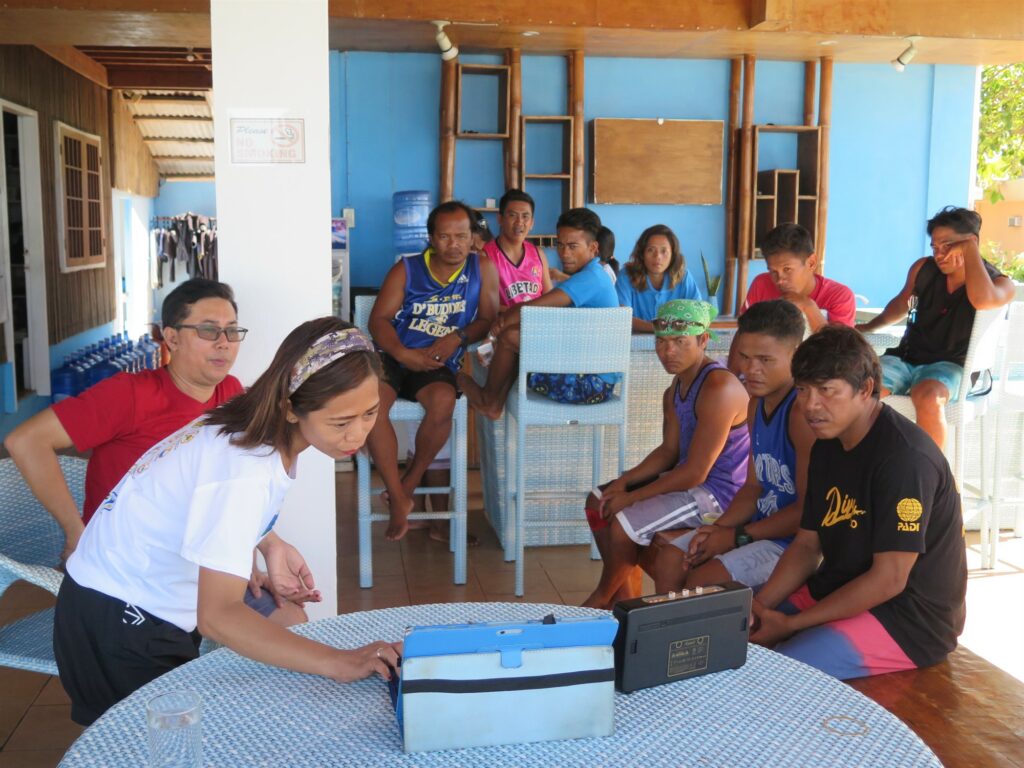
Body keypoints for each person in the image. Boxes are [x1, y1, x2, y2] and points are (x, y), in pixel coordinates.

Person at [53, 318, 403, 725]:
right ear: (290, 409)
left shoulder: (247, 424)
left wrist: (260, 545)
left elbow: (200, 502)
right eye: (340, 422)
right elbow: (218, 615)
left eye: (370, 412)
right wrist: (341, 663)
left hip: (133, 607)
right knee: (157, 750)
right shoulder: (246, 468)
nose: (357, 434)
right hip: (117, 623)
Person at [749, 325, 967, 680]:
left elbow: (889, 580)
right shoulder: (827, 443)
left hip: (907, 619)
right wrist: (761, 606)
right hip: (840, 585)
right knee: (741, 637)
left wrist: (790, 623)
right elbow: (806, 545)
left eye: (826, 391)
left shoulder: (904, 459)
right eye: (803, 390)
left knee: (781, 673)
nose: (810, 405)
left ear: (866, 390)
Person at [581, 299, 750, 609]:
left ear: (703, 341)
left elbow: (695, 472)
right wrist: (625, 482)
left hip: (719, 495)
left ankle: (602, 598)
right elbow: (668, 452)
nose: (668, 351)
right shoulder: (674, 391)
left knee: (624, 522)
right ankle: (623, 597)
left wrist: (632, 497)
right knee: (598, 500)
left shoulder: (718, 387)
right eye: (661, 342)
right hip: (691, 482)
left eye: (679, 342)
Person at [652, 300, 814, 592]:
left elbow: (807, 512)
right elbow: (753, 487)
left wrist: (735, 536)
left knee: (703, 580)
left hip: (792, 542)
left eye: (765, 360)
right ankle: (668, 637)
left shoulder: (801, 414)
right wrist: (718, 529)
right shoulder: (756, 404)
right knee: (671, 560)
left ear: (797, 356)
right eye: (744, 357)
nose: (750, 369)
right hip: (755, 525)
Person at [366, 200, 499, 541]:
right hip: (394, 355)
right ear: (431, 238)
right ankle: (398, 495)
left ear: (473, 238)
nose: (453, 244)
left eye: (461, 236)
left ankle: (404, 489)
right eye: (444, 236)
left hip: (437, 362)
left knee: (443, 402)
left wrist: (458, 337)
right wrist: (401, 352)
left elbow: (487, 319)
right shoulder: (406, 269)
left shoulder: (482, 268)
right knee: (373, 407)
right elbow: (378, 320)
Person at [856, 207, 1014, 448]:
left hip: (953, 366)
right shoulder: (924, 269)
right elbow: (900, 305)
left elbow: (982, 300)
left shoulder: (999, 283)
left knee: (928, 396)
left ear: (972, 242)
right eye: (935, 247)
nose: (939, 254)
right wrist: (867, 327)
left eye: (948, 246)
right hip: (906, 358)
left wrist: (970, 249)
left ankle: (933, 479)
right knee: (861, 388)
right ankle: (867, 467)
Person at [458, 208, 621, 419]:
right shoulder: (594, 275)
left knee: (511, 337)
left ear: (593, 248)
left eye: (573, 246)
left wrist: (493, 333)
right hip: (589, 377)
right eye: (560, 245)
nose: (564, 253)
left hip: (587, 383)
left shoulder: (590, 278)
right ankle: (493, 402)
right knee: (517, 335)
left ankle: (486, 398)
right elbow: (542, 317)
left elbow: (535, 307)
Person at [741, 223, 855, 330]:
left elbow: (840, 350)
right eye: (773, 271)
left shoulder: (839, 296)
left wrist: (809, 307)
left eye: (787, 269)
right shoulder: (761, 284)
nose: (779, 280)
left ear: (811, 263)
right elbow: (744, 333)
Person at [615, 224, 703, 333]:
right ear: (642, 254)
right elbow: (621, 318)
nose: (657, 257)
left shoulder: (683, 277)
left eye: (664, 251)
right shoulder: (626, 276)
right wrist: (659, 327)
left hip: (675, 345)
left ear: (673, 255)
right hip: (634, 346)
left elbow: (698, 315)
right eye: (651, 250)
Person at [482, 189, 553, 308]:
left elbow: (549, 298)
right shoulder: (485, 256)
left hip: (537, 323)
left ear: (532, 223)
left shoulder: (538, 254)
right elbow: (485, 306)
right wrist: (521, 314)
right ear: (500, 219)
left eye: (525, 216)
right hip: (504, 324)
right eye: (512, 215)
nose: (519, 222)